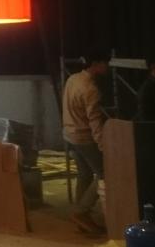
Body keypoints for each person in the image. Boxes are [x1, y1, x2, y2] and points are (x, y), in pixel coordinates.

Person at [62, 51, 109, 234]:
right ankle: (81, 212)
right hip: (84, 137)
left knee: (84, 174)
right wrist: (102, 145)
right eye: (105, 63)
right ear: (96, 63)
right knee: (105, 174)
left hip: (70, 133)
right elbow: (95, 121)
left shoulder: (72, 79)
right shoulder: (91, 89)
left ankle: (81, 215)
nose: (107, 67)